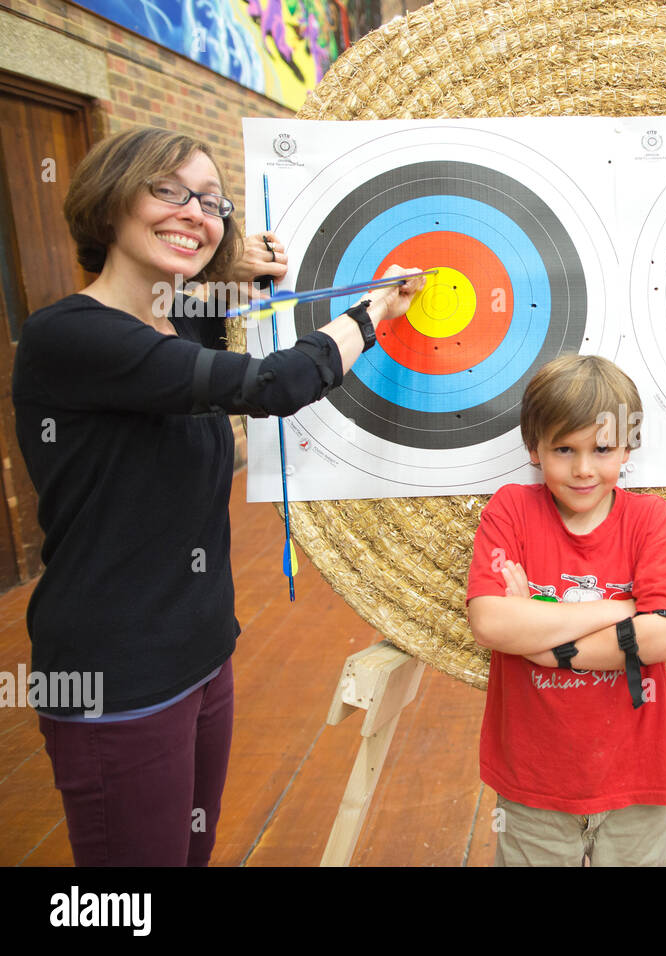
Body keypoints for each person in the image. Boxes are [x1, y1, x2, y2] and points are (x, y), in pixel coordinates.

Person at [12, 126, 424, 866]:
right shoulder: (68, 335)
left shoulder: (175, 321)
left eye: (210, 201)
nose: (194, 212)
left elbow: (235, 301)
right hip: (118, 669)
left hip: (203, 650)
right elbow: (269, 384)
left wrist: (242, 266)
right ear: (109, 203)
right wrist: (371, 316)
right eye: (167, 191)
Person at [465, 354, 666, 866]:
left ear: (626, 447)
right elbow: (490, 621)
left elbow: (665, 638)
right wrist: (622, 609)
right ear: (534, 448)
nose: (582, 469)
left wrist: (549, 646)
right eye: (563, 449)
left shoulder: (650, 519)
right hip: (533, 787)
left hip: (639, 781)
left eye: (601, 449)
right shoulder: (511, 509)